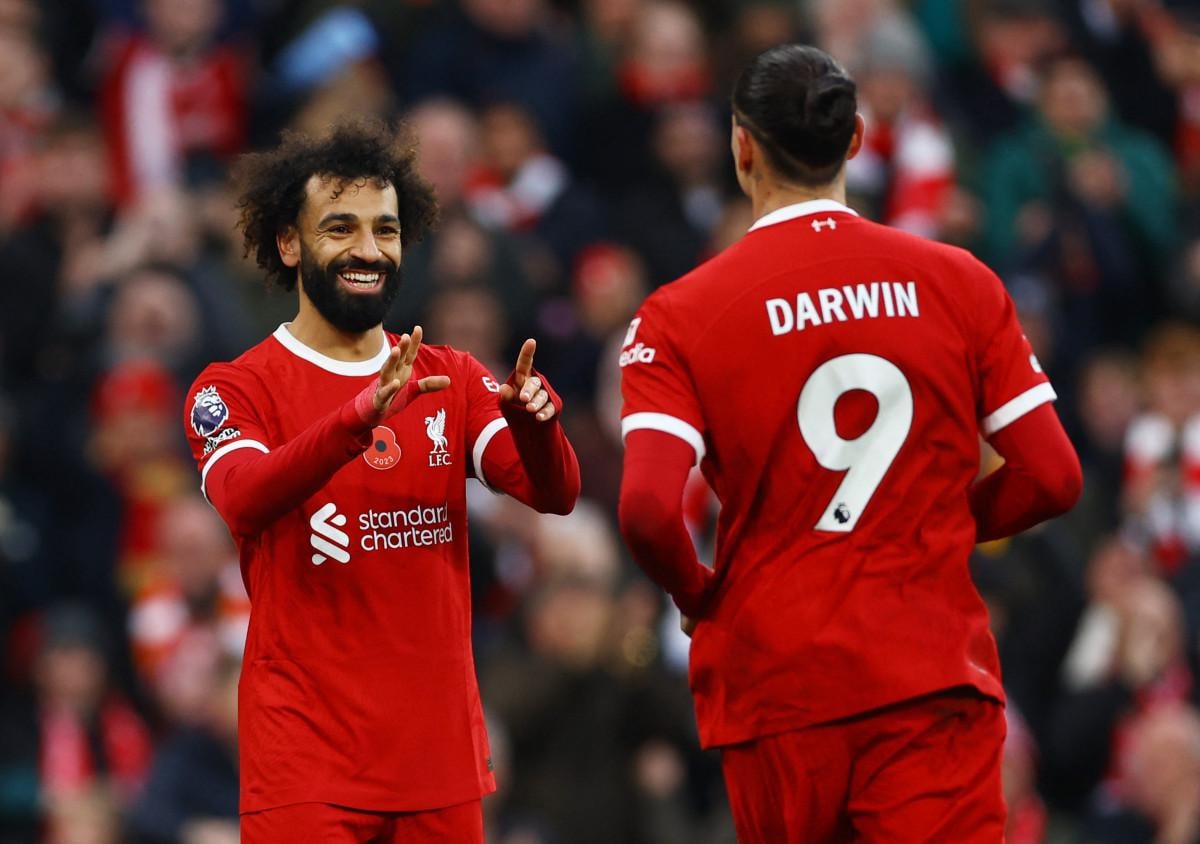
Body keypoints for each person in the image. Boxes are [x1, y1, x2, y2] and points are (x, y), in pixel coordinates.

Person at [617, 44, 1082, 842]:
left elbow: (649, 511)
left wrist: (700, 597)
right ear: (857, 139)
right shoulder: (960, 281)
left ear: (741, 147)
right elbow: (1054, 475)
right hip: (928, 670)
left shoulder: (680, 314)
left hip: (776, 684)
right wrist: (932, 524)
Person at [181, 118, 580, 842]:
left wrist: (536, 425)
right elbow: (243, 497)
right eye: (341, 228)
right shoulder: (232, 388)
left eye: (385, 230)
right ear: (289, 243)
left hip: (437, 762)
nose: (368, 250)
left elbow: (551, 491)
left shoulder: (450, 376)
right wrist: (355, 419)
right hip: (306, 765)